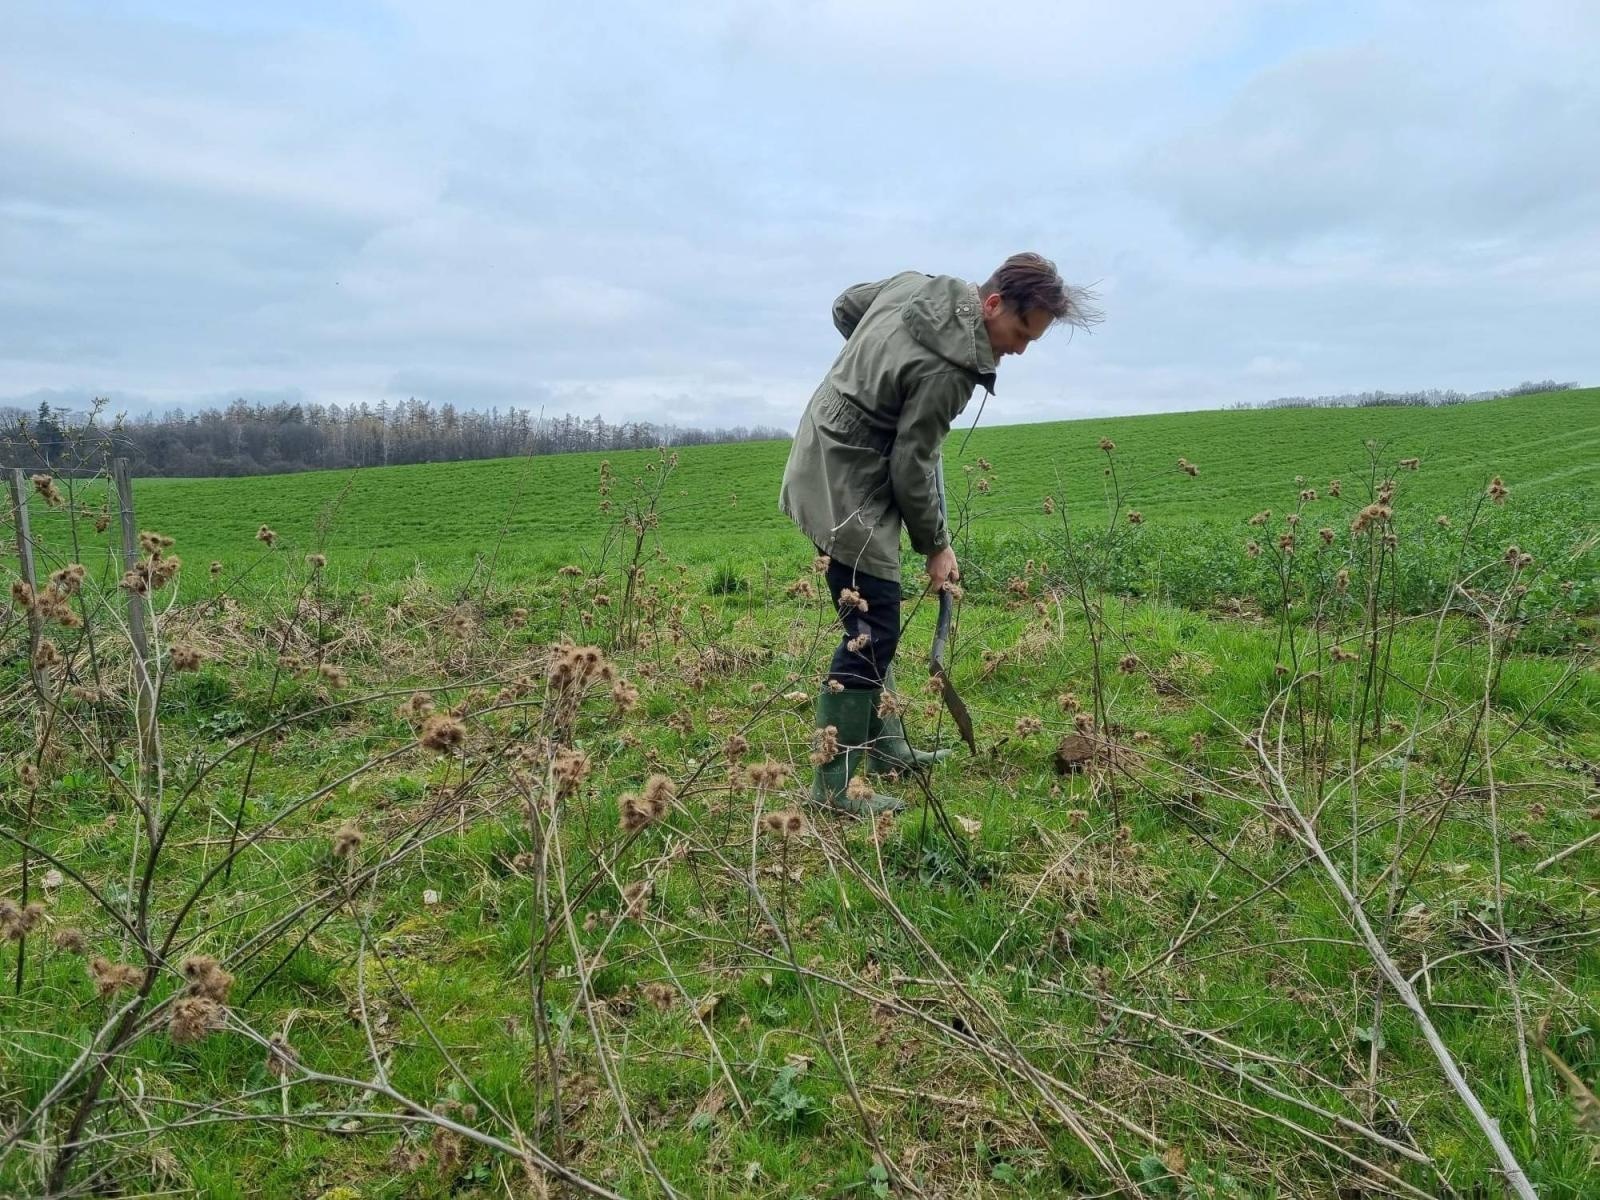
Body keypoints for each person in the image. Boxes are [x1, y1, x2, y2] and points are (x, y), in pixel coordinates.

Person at [779, 252, 1101, 814]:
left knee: (875, 615)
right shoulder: (950, 371)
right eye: (1021, 332)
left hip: (826, 439)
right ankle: (834, 786)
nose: (1021, 349)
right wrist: (936, 546)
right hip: (846, 475)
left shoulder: (915, 285)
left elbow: (845, 306)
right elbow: (910, 466)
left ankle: (886, 744)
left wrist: (875, 368)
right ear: (993, 303)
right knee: (871, 622)